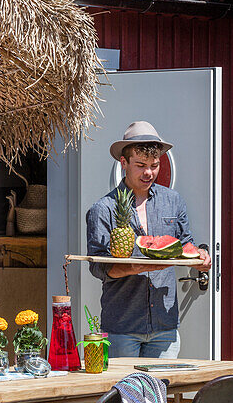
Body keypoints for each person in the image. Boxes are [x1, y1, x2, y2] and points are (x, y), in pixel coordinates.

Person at [85, 121, 212, 358]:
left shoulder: (173, 201)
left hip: (165, 326)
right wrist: (137, 267)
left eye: (154, 166)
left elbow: (185, 244)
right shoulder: (102, 209)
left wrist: (200, 258)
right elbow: (98, 267)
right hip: (122, 326)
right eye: (140, 165)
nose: (148, 173)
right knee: (125, 394)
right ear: (124, 163)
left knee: (158, 393)